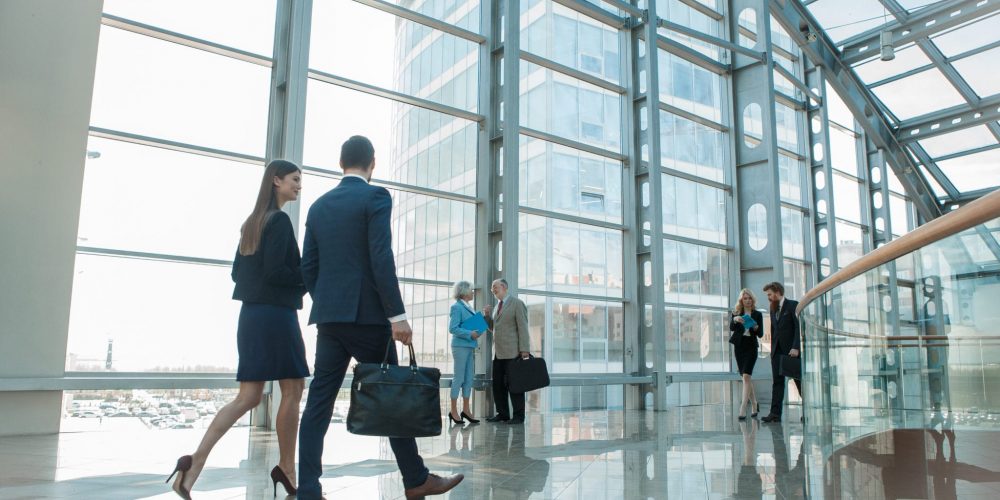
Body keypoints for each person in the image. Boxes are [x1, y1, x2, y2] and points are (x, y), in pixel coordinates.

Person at [296, 136, 463, 499]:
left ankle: (308, 489)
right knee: (392, 396)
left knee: (318, 405)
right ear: (372, 162)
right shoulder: (376, 196)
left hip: (329, 320)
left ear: (342, 162)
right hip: (370, 319)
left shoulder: (319, 206)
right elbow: (380, 257)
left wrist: (327, 300)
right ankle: (416, 479)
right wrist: (397, 315)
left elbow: (308, 266)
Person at [167, 160, 308, 499]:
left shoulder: (252, 224)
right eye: (294, 179)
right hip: (276, 316)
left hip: (251, 317)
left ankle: (193, 464)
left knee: (248, 396)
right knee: (292, 389)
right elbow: (277, 272)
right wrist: (309, 277)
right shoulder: (281, 221)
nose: (299, 185)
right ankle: (287, 469)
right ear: (276, 181)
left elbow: (236, 274)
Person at [482, 279, 531, 425]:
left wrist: (525, 350)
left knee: (515, 385)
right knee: (498, 385)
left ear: (503, 287)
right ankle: (502, 414)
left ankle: (518, 416)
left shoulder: (517, 303)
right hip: (497, 353)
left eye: (494, 287)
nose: (492, 290)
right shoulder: (497, 306)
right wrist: (486, 316)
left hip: (513, 353)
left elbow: (523, 327)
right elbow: (493, 329)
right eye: (492, 288)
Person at [760, 282, 801, 423]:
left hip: (791, 351)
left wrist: (796, 347)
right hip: (777, 352)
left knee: (798, 381)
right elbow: (773, 331)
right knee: (777, 383)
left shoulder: (793, 305)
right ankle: (775, 414)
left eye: (770, 294)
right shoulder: (772, 309)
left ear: (777, 292)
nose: (769, 298)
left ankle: (807, 411)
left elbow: (798, 328)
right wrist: (772, 351)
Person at [447, 280, 483, 425]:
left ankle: (466, 410)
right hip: (460, 346)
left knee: (468, 378)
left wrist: (478, 327)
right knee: (459, 377)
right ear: (463, 291)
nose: (473, 292)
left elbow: (472, 327)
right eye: (471, 290)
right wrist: (470, 333)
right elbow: (453, 328)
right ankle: (453, 410)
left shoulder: (469, 307)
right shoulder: (456, 307)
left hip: (469, 346)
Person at [731, 288, 764, 420]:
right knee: (746, 378)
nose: (748, 300)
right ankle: (755, 404)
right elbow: (732, 328)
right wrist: (735, 320)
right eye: (745, 298)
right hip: (739, 347)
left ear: (752, 300)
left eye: (750, 298)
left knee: (746, 376)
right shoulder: (736, 313)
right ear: (742, 300)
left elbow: (760, 334)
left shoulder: (757, 314)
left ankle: (743, 407)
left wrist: (756, 328)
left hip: (751, 347)